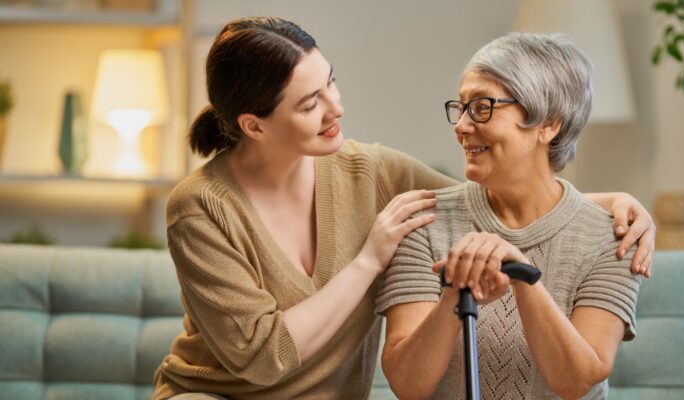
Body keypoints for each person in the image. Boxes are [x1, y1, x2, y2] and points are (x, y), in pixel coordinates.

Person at [153, 18, 655, 399]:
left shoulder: (370, 171)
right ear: (254, 126)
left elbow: (492, 199)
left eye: (330, 81)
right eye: (310, 104)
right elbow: (264, 359)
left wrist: (611, 206)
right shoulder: (199, 209)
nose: (336, 107)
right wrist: (369, 259)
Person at [376, 32, 644, 399]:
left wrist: (523, 275)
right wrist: (454, 293)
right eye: (462, 107)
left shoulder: (614, 236)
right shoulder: (424, 222)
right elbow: (408, 384)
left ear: (549, 124)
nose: (462, 126)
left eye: (483, 107)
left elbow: (577, 382)